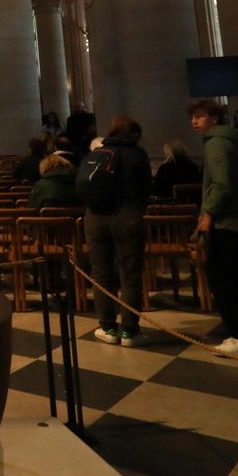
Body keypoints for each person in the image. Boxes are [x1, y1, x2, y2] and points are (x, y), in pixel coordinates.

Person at [190, 98, 238, 357]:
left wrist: (208, 214)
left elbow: (221, 183)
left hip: (227, 221)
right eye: (193, 117)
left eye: (199, 116)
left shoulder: (217, 142)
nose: (194, 122)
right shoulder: (231, 139)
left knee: (224, 279)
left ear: (214, 118)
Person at [81, 117, 152, 347]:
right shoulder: (137, 154)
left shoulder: (97, 153)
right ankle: (129, 331)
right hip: (127, 215)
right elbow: (146, 186)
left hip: (95, 216)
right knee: (130, 273)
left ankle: (107, 327)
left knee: (101, 273)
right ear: (135, 135)